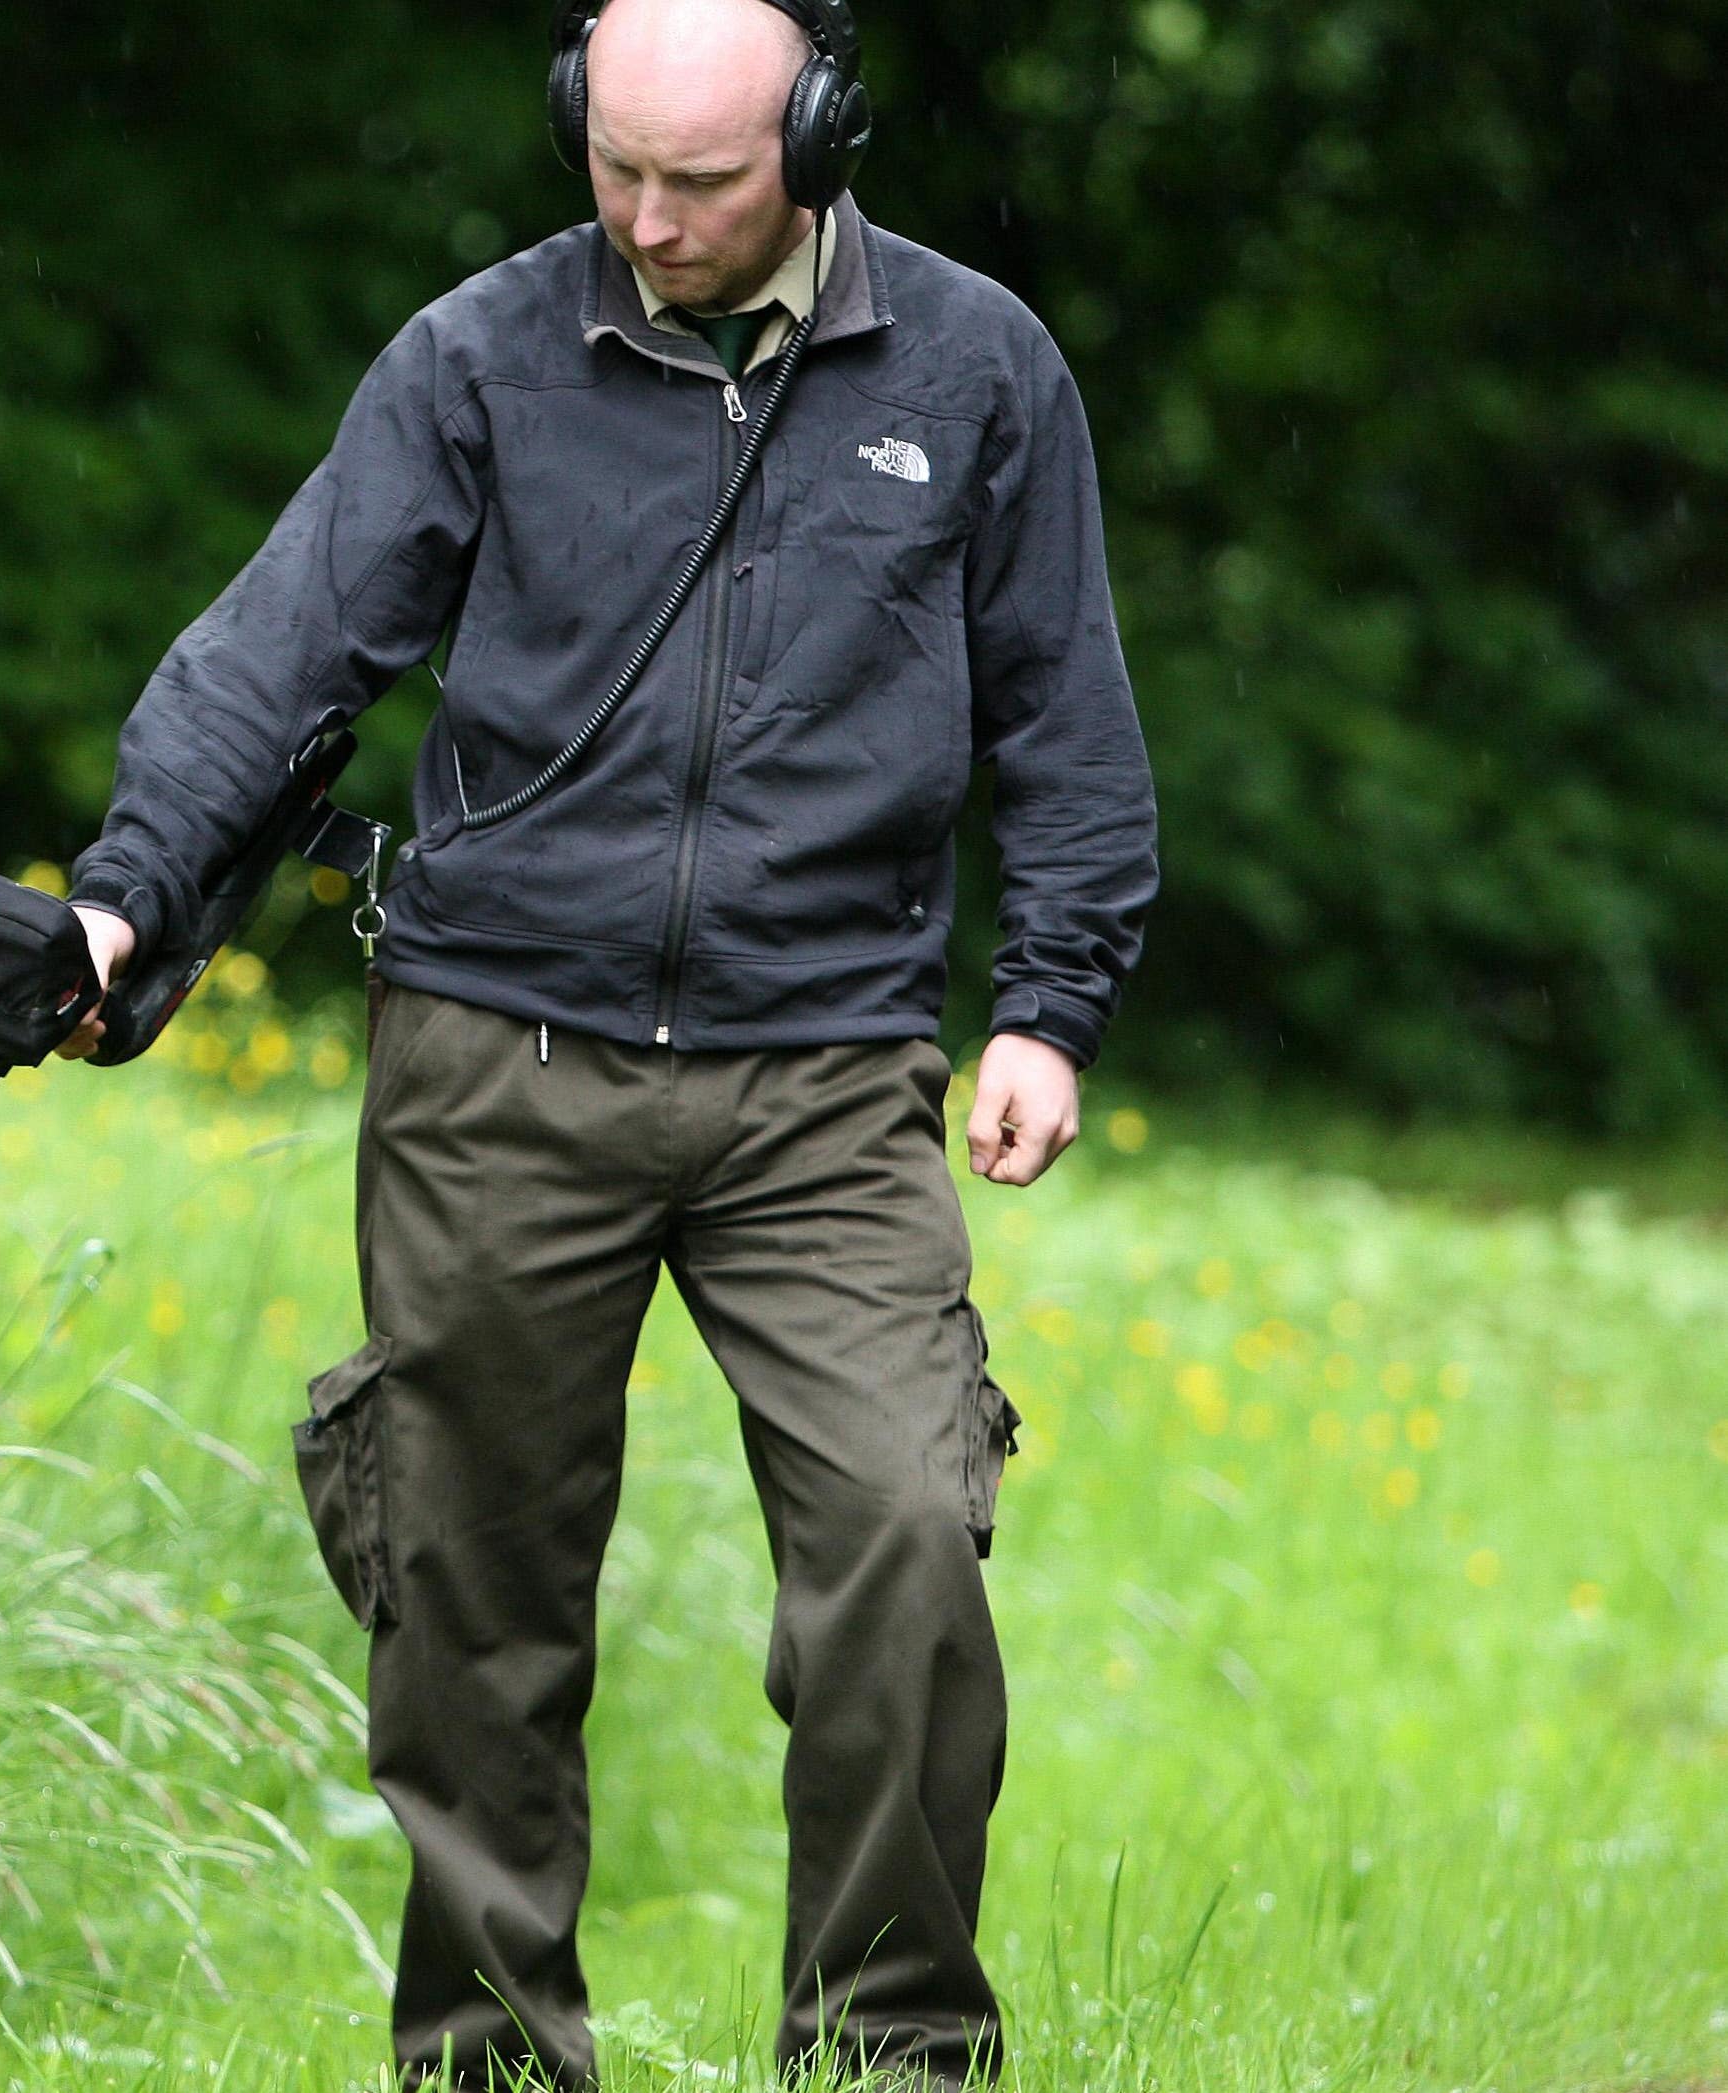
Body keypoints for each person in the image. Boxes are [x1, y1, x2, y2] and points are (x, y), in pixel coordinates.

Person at [58, 0, 1158, 2082]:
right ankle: (480, 2063)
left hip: (826, 1076)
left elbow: (1065, 710)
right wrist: (130, 891)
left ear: (822, 136)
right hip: (498, 1064)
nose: (650, 220)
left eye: (707, 180)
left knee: (909, 1537)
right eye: (615, 167)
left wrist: (1050, 1006)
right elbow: (283, 646)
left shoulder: (974, 368)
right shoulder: (480, 357)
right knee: (468, 1608)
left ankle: (889, 2056)